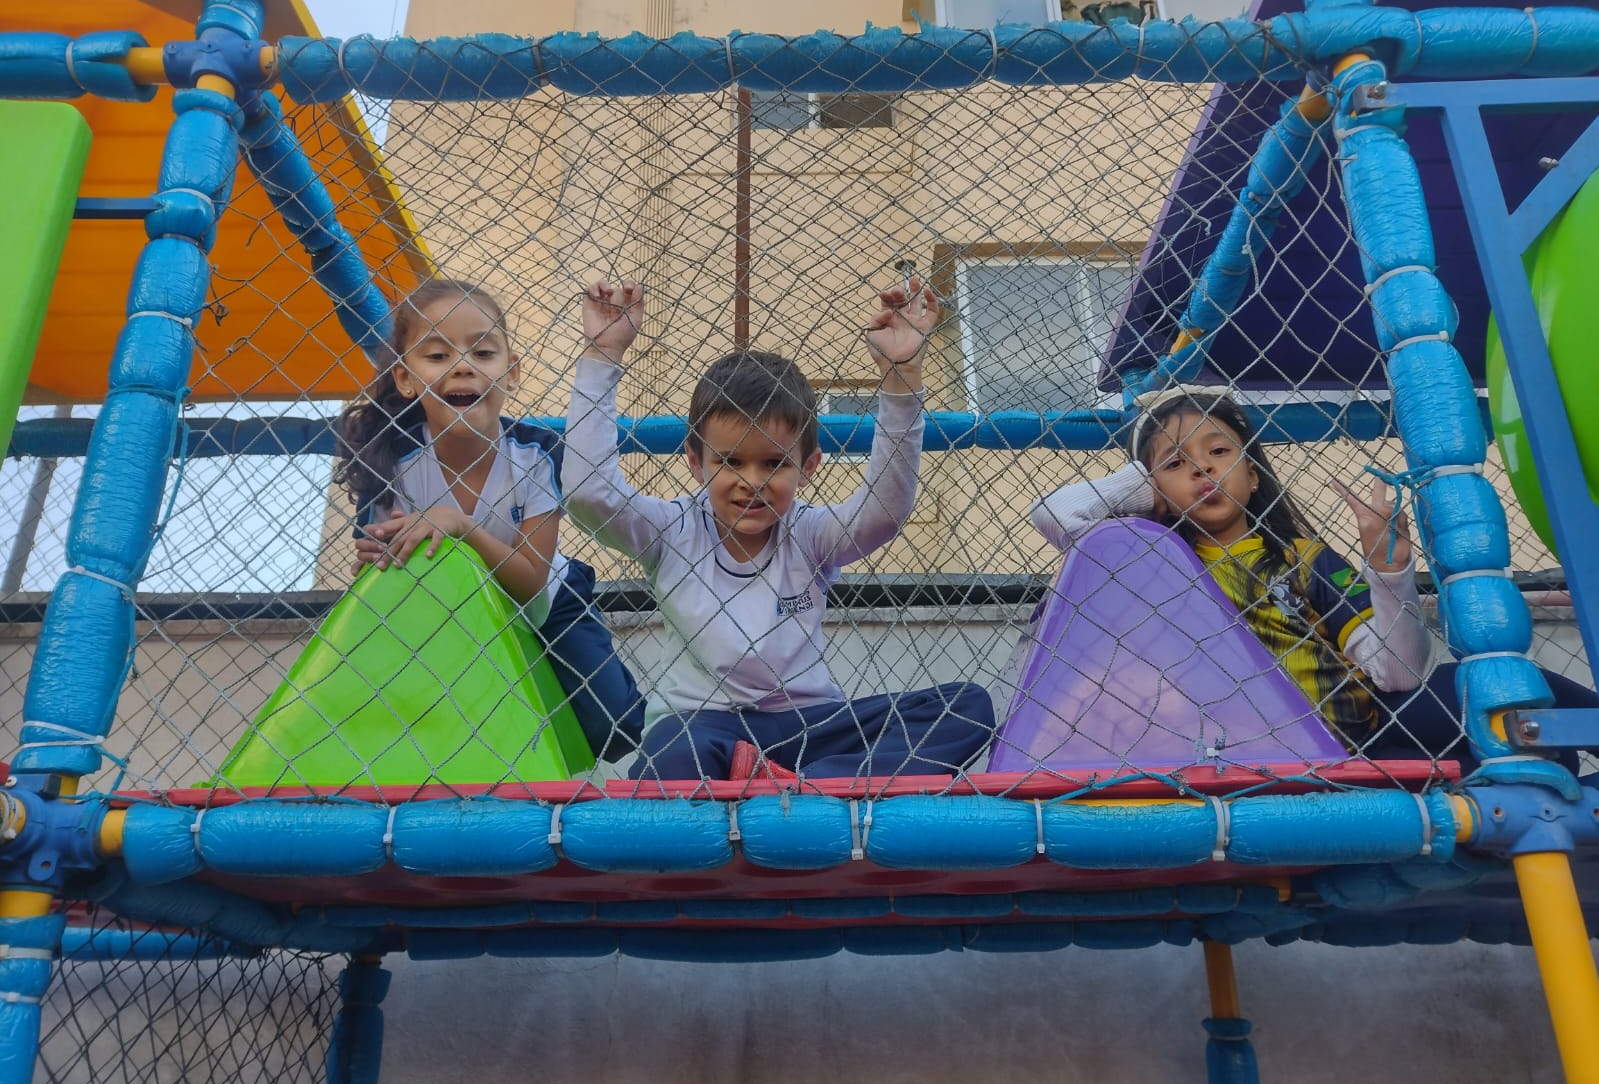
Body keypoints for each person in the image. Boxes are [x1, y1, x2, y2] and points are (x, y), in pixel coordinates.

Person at [1028, 385, 1597, 769]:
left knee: (1499, 686)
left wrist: (1389, 572)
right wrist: (1147, 480)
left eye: (1218, 451)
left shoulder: (1300, 557)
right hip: (1232, 745)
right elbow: (1056, 517)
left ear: (1252, 470)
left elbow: (1397, 674)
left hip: (1360, 733)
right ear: (1152, 492)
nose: (1201, 468)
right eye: (1176, 464)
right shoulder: (1155, 567)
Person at [563, 277, 994, 782]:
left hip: (809, 729)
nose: (753, 482)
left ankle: (807, 787)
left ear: (807, 466)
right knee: (674, 750)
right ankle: (813, 786)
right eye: (731, 461)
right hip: (708, 727)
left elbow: (883, 512)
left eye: (774, 463)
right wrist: (601, 356)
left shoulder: (807, 533)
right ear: (696, 463)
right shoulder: (671, 530)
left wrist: (901, 381)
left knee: (966, 708)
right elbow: (590, 494)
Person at [334, 278, 645, 764]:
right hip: (444, 614)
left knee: (616, 729)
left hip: (545, 603)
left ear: (512, 371)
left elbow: (528, 581)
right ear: (405, 378)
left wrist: (458, 524)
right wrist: (377, 561)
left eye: (482, 353)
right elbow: (376, 566)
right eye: (437, 357)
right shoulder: (390, 462)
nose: (462, 366)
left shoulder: (536, 454)